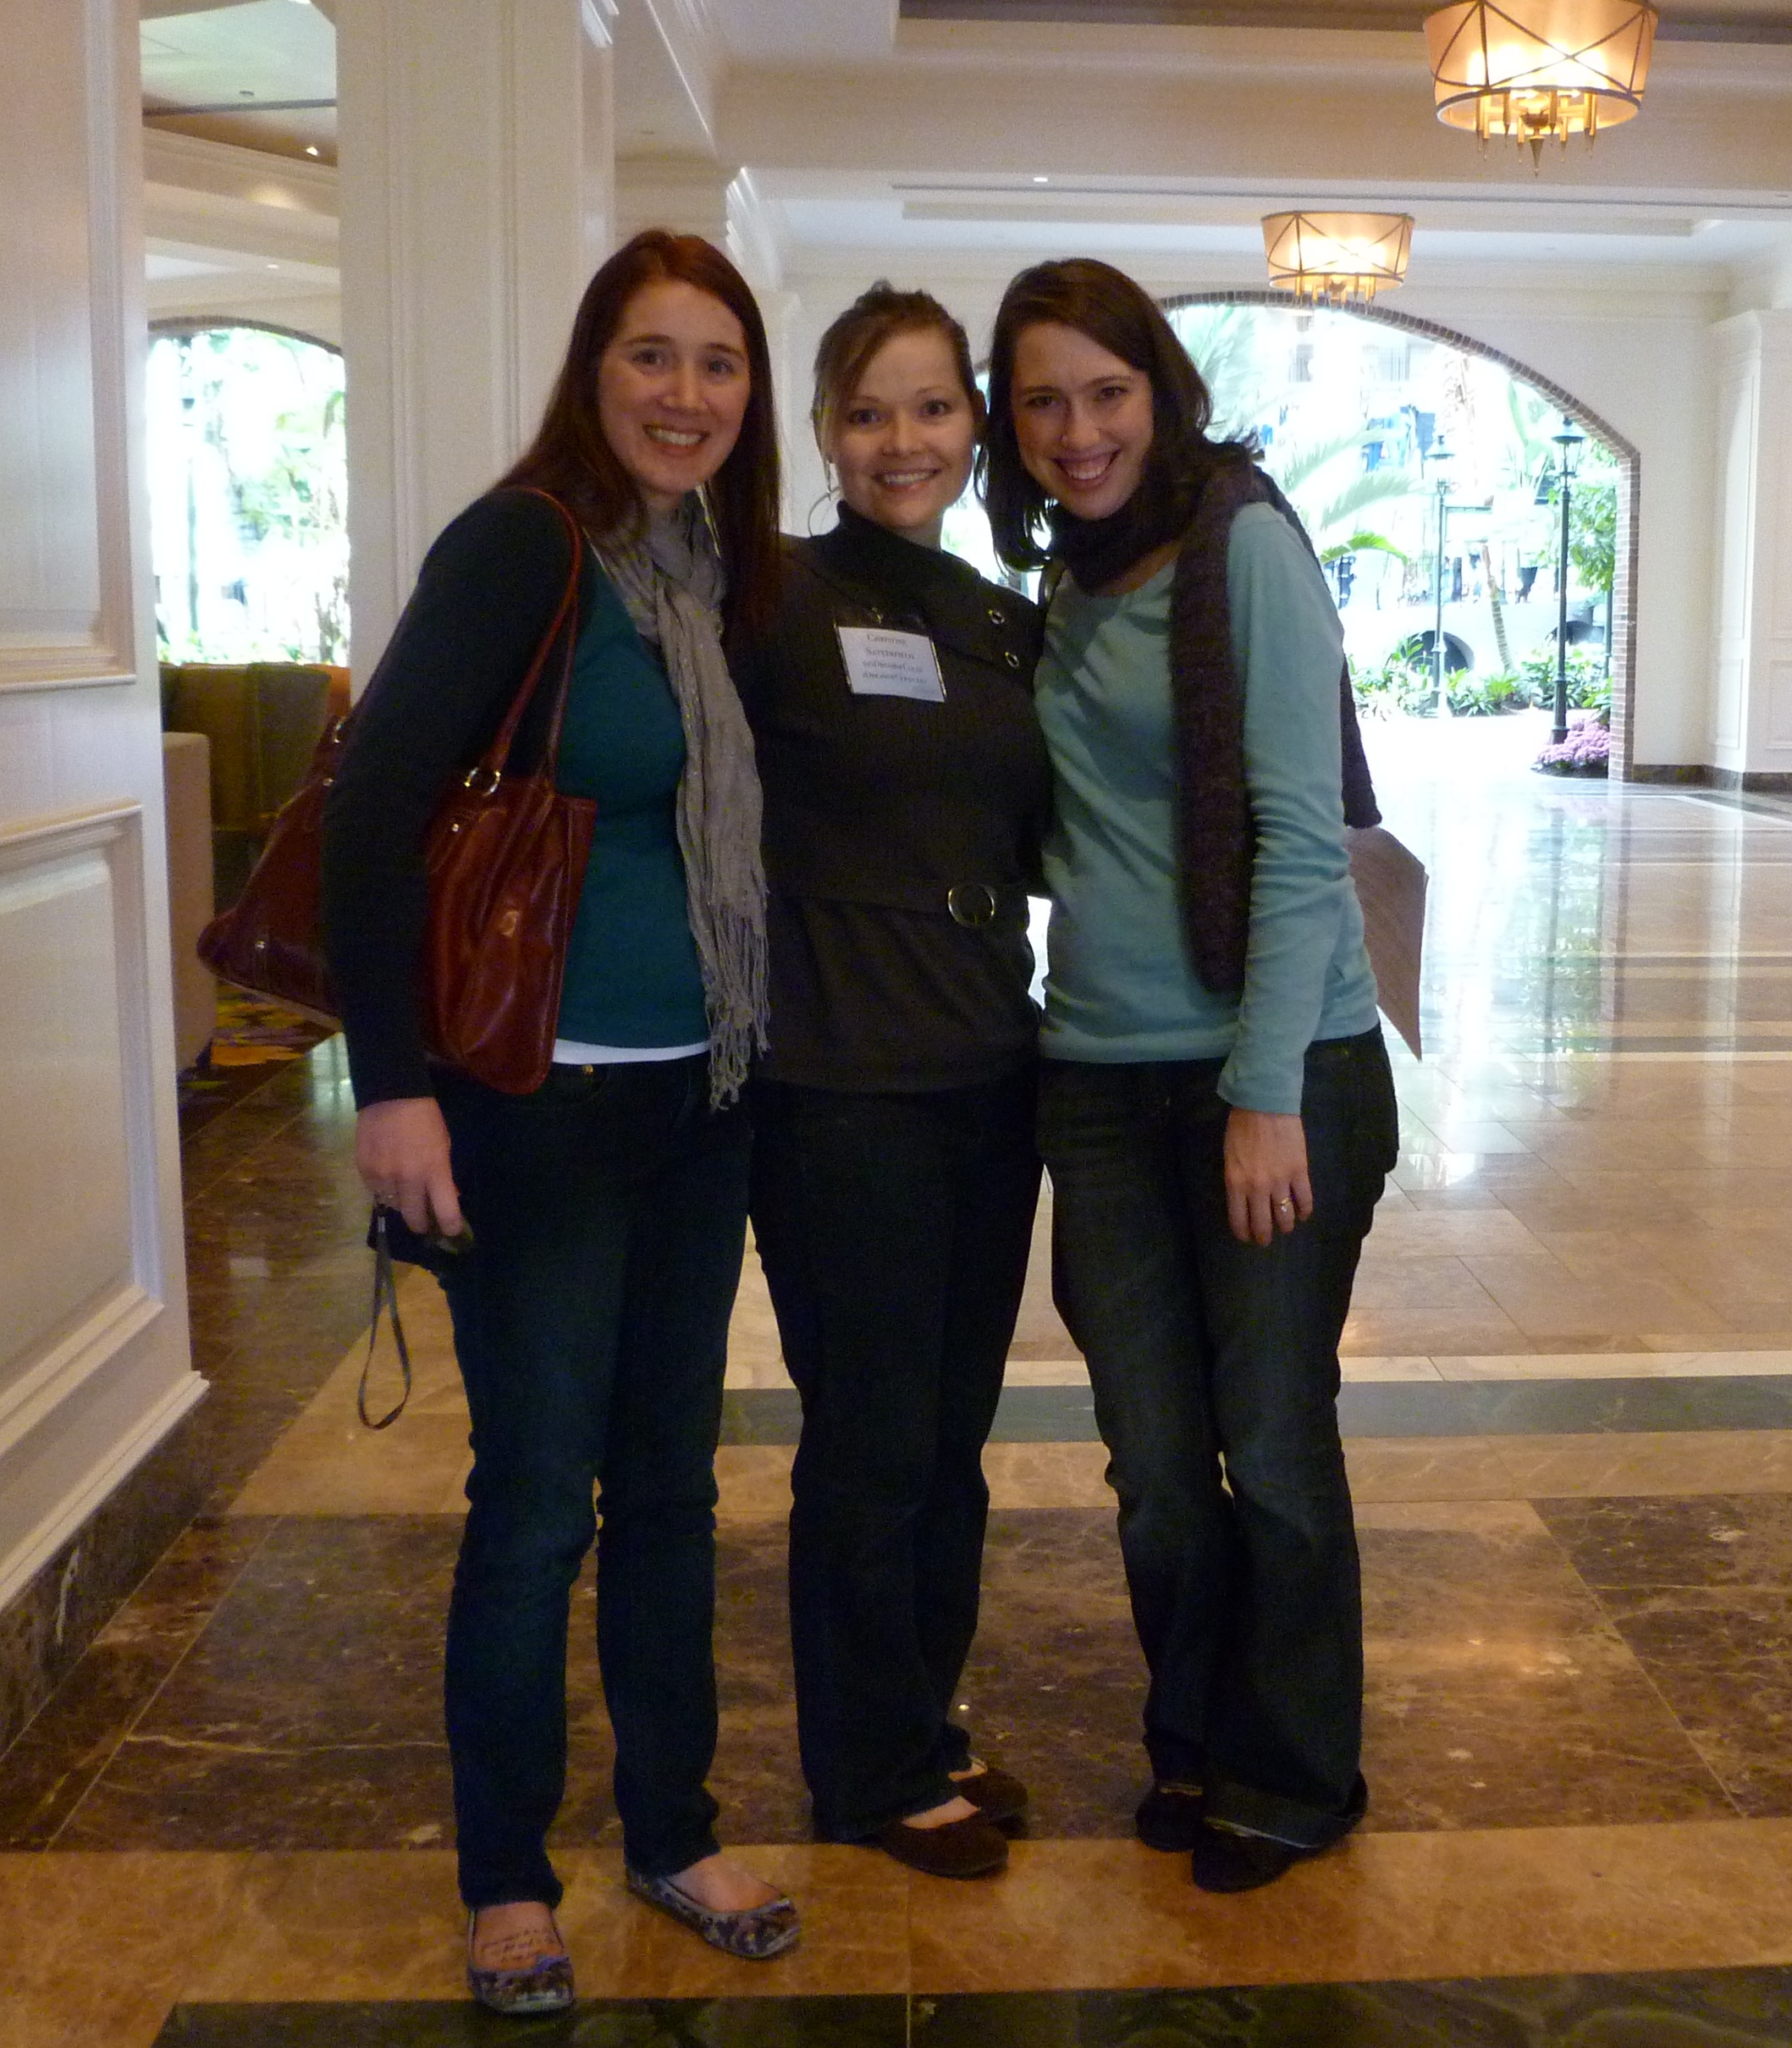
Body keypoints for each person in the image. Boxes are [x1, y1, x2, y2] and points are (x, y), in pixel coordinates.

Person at [321, 229, 797, 2016]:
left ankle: (670, 1827)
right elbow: (372, 810)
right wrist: (392, 1088)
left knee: (669, 1487)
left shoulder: (713, 574)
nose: (685, 394)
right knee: (534, 1501)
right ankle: (507, 1878)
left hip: (698, 1098)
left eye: (718, 364)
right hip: (535, 1109)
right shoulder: (524, 545)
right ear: (593, 371)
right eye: (650, 356)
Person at [983, 258, 1399, 1895]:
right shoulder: (1063, 583)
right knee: (1155, 1466)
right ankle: (1196, 1734)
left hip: (1270, 1074)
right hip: (1094, 1075)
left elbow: (1299, 835)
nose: (1075, 430)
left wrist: (1263, 1090)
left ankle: (1292, 1774)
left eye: (1105, 393)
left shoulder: (1246, 547)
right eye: (1040, 401)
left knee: (1272, 1445)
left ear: (1158, 394)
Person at [736, 284, 1048, 1879]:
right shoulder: (773, 598)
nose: (901, 441)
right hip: (838, 1083)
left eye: (931, 408)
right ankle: (866, 1772)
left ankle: (922, 1717)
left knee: (949, 1436)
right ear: (822, 433)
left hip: (990, 1069)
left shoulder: (1002, 621)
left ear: (973, 427)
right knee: (868, 1441)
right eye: (867, 413)